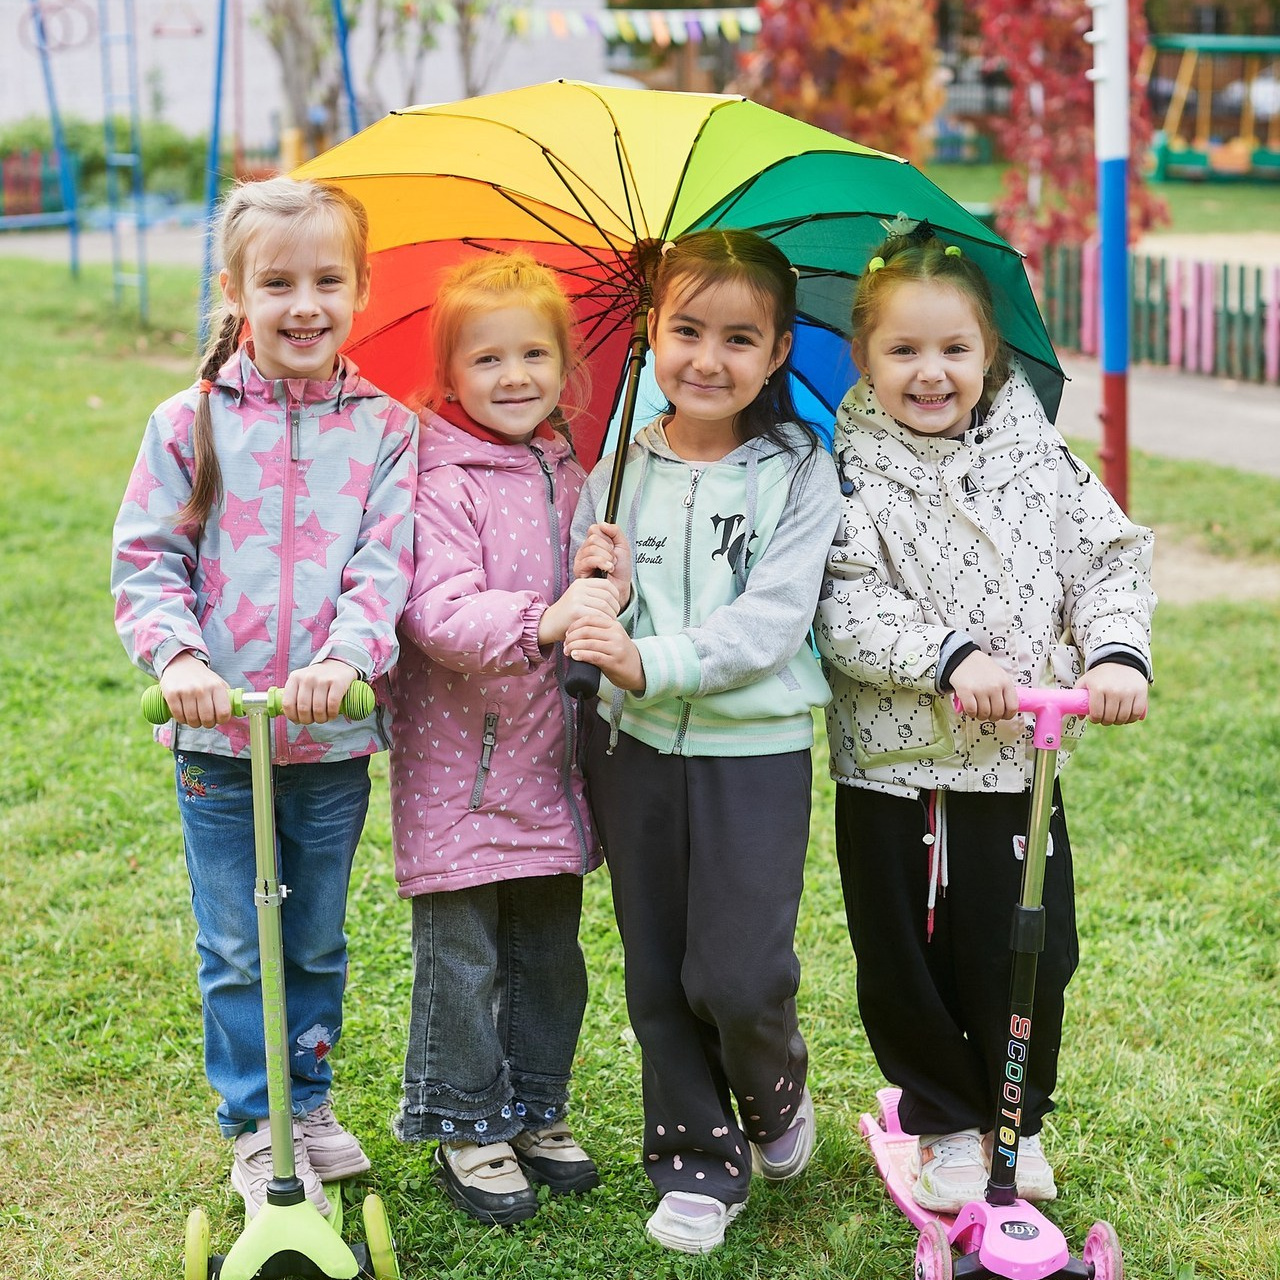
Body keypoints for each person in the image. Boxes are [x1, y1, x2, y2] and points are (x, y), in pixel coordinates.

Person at [814, 219, 1156, 1215]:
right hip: (894, 768)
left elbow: (1106, 558)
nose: (930, 372)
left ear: (987, 354)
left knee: (1031, 947)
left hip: (1018, 763)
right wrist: (946, 657)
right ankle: (943, 1117)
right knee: (906, 951)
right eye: (903, 350)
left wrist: (1114, 649)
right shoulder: (844, 469)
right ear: (865, 356)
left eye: (952, 348)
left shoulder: (1037, 457)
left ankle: (1016, 1114)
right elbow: (839, 603)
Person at [111, 176, 418, 1219]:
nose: (303, 303)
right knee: (238, 938)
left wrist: (348, 655)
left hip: (326, 738)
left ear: (360, 288)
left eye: (327, 280)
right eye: (277, 281)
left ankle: (313, 1098)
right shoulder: (190, 418)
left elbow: (385, 563)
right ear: (236, 288)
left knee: (317, 934)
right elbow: (147, 556)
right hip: (217, 741)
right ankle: (255, 1115)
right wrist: (179, 661)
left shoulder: (384, 428)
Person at [565, 229, 841, 1254]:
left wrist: (655, 659)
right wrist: (598, 573)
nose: (706, 359)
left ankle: (771, 1087)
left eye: (738, 337)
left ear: (775, 354)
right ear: (650, 330)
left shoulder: (798, 471)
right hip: (629, 747)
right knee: (654, 970)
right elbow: (595, 597)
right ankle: (692, 1156)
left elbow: (771, 621)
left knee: (735, 971)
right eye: (684, 330)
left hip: (750, 753)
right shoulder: (619, 462)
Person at [387, 251, 622, 1226]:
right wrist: (548, 613)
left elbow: (591, 604)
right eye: (487, 359)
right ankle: (464, 1117)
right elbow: (434, 613)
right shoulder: (439, 475)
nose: (513, 375)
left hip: (549, 760)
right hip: (462, 768)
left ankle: (535, 1103)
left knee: (547, 949)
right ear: (450, 374)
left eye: (533, 353)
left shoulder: (571, 469)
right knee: (464, 954)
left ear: (566, 367)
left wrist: (610, 569)